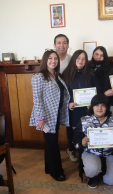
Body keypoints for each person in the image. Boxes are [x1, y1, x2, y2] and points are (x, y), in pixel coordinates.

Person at [29, 50, 70, 181]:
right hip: (46, 117)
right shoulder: (38, 77)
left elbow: (62, 95)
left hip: (56, 114)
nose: (53, 61)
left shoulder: (58, 76)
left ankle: (49, 167)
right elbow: (37, 99)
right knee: (52, 143)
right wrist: (40, 118)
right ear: (45, 60)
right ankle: (56, 171)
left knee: (50, 142)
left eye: (55, 58)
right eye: (50, 58)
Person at [73, 94, 113, 189]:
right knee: (92, 169)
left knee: (111, 181)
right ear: (92, 107)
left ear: (107, 107)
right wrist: (82, 142)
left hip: (108, 154)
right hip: (90, 153)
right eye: (96, 105)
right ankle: (91, 176)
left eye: (103, 105)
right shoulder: (84, 121)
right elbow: (75, 140)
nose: (100, 108)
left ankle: (102, 169)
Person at [62, 50, 100, 163]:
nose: (81, 60)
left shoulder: (91, 74)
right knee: (74, 132)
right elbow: (62, 94)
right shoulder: (65, 74)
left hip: (88, 109)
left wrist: (93, 103)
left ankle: (87, 154)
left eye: (84, 58)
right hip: (73, 109)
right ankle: (72, 149)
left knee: (87, 131)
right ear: (74, 59)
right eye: (78, 57)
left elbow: (97, 91)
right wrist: (68, 103)